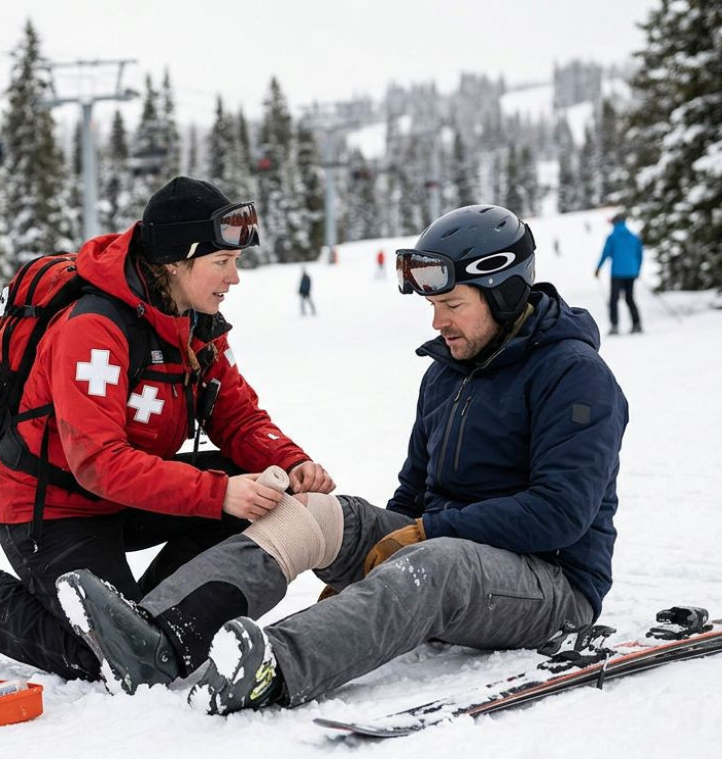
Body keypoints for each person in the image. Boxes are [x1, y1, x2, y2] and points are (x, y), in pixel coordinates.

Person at [58, 204, 629, 713]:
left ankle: (273, 667)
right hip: (450, 554)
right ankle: (157, 635)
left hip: (551, 587)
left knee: (435, 563)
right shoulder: (446, 375)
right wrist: (371, 557)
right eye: (434, 305)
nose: (438, 322)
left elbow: (559, 515)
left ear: (505, 295)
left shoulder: (574, 377)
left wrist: (424, 535)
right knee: (320, 511)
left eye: (452, 304)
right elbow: (411, 498)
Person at [0, 176, 336, 683]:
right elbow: (98, 462)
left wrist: (291, 462)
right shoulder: (93, 328)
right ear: (174, 261)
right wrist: (217, 494)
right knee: (105, 661)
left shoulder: (193, 320)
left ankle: (152, 618)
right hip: (51, 510)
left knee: (258, 489)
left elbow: (237, 415)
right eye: (221, 263)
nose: (234, 278)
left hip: (129, 497)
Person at [596, 212, 644, 335]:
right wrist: (637, 270)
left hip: (617, 272)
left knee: (614, 300)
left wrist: (598, 268)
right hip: (631, 272)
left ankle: (614, 326)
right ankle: (637, 324)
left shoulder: (612, 237)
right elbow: (639, 255)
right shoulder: (633, 237)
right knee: (630, 299)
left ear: (615, 222)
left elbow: (605, 253)